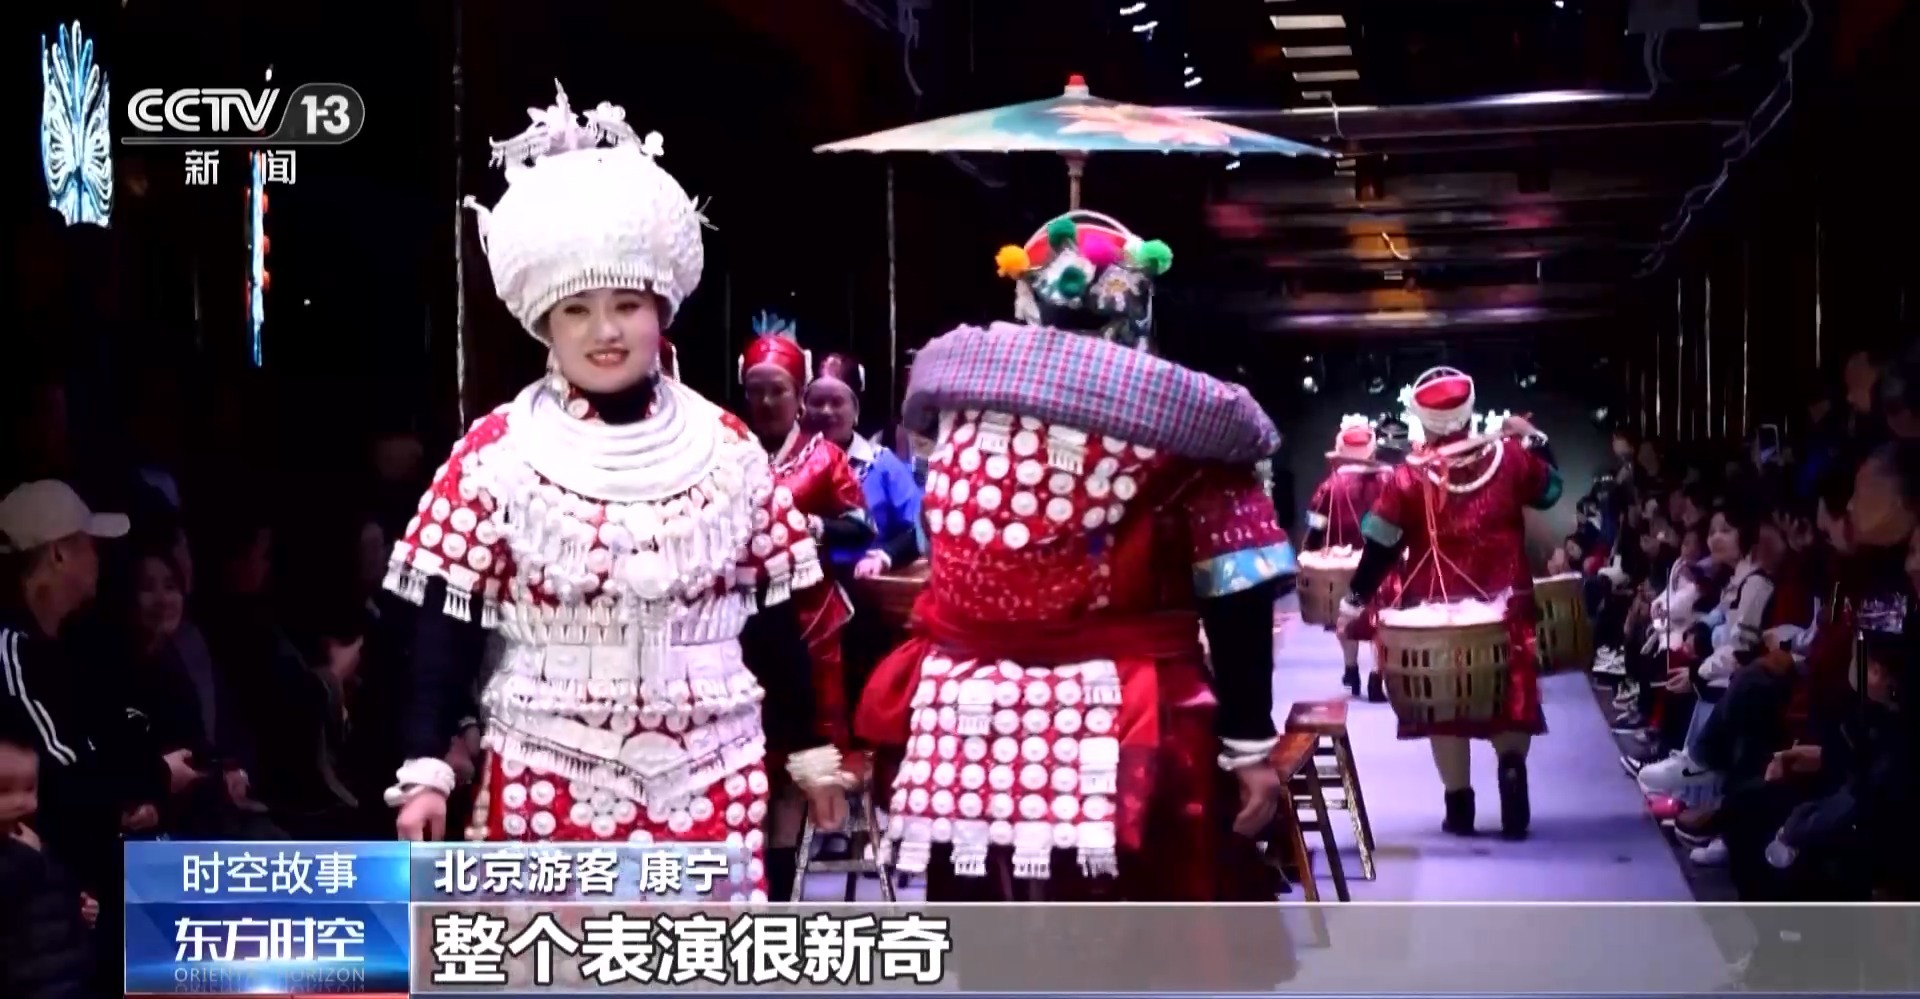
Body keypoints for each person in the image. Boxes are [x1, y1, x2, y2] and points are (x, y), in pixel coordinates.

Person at [383, 86, 846, 888]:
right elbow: (444, 625)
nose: (605, 331)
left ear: (660, 311)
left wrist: (808, 749)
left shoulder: (729, 449)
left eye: (627, 305)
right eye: (578, 311)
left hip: (712, 770)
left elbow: (773, 616)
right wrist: (426, 766)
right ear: (545, 324)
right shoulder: (496, 452)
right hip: (547, 767)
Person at [857, 212, 1289, 900]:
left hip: (966, 724)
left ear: (1025, 302)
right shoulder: (1193, 442)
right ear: (1140, 306)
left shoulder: (957, 425)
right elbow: (1237, 593)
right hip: (1132, 724)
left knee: (991, 924)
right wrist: (1248, 745)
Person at [1337, 367, 1561, 839]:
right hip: (1508, 603)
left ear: (1421, 418)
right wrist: (1534, 438)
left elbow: (1381, 544)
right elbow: (1551, 490)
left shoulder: (1408, 477)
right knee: (1510, 691)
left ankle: (1459, 803)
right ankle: (1512, 769)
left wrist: (1355, 598)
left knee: (1445, 700)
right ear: (1470, 409)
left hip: (1437, 612)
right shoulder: (1510, 458)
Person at [737, 313, 873, 896]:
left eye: (778, 390)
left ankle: (785, 881)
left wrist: (809, 526)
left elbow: (860, 525)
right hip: (741, 622)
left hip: (811, 622)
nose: (766, 402)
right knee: (751, 752)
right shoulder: (729, 451)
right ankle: (752, 881)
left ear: (798, 395)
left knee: (803, 753)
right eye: (756, 391)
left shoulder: (823, 458)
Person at [0, 716, 98, 999]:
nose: (21, 801)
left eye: (30, 788)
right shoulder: (25, 855)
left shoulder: (39, 841)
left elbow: (55, 899)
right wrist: (25, 859)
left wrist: (80, 909)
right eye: (3, 790)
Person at [804, 352, 923, 579]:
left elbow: (919, 527)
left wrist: (885, 556)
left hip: (865, 585)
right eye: (817, 402)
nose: (826, 411)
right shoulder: (789, 465)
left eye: (837, 402)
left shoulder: (881, 464)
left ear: (855, 409)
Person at [1302, 416, 1388, 700]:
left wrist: (1309, 549)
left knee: (1345, 618)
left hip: (1342, 565)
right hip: (1382, 562)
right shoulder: (1389, 480)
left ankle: (1351, 668)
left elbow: (1315, 523)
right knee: (1381, 619)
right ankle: (1377, 675)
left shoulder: (1329, 485)